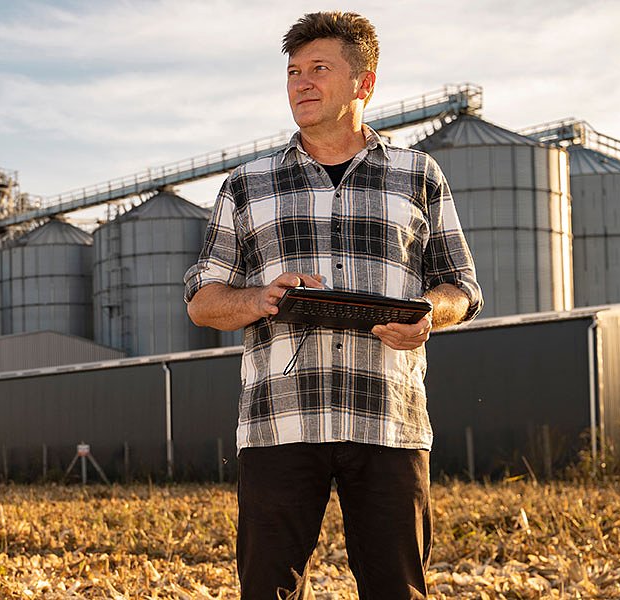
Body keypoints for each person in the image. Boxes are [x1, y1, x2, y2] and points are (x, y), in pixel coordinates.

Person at [183, 11, 483, 600]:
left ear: (363, 83)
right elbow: (202, 300)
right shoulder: (247, 184)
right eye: (293, 72)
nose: (301, 83)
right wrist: (261, 298)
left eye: (319, 68)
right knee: (268, 591)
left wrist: (427, 311)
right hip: (280, 423)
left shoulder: (418, 175)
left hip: (388, 420)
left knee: (397, 590)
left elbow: (462, 286)